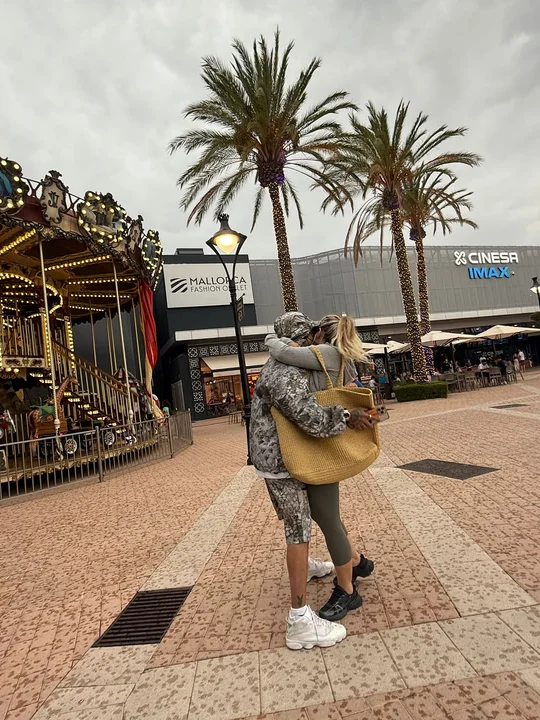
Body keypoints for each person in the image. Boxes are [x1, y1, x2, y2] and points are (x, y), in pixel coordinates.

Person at [251, 312, 376, 650]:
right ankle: (303, 615)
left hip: (290, 456)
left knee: (321, 520)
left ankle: (349, 573)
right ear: (305, 335)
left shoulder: (287, 362)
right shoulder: (289, 368)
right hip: (292, 457)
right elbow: (308, 416)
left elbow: (286, 358)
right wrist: (345, 415)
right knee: (308, 525)